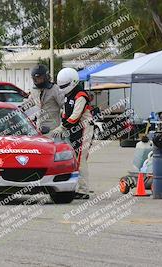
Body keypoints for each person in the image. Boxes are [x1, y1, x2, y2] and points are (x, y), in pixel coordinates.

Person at [51, 67, 94, 199]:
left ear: (73, 82)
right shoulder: (68, 95)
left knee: (80, 160)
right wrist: (62, 125)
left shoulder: (81, 95)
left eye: (65, 85)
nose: (63, 88)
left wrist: (62, 127)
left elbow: (75, 116)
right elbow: (66, 112)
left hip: (84, 128)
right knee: (74, 159)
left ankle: (83, 190)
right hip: (73, 129)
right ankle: (76, 186)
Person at [21, 64, 64, 132]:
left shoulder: (55, 89)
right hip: (39, 129)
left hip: (53, 129)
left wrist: (63, 126)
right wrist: (17, 109)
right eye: (34, 79)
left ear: (46, 77)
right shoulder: (35, 90)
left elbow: (64, 106)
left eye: (39, 78)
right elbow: (29, 103)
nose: (36, 81)